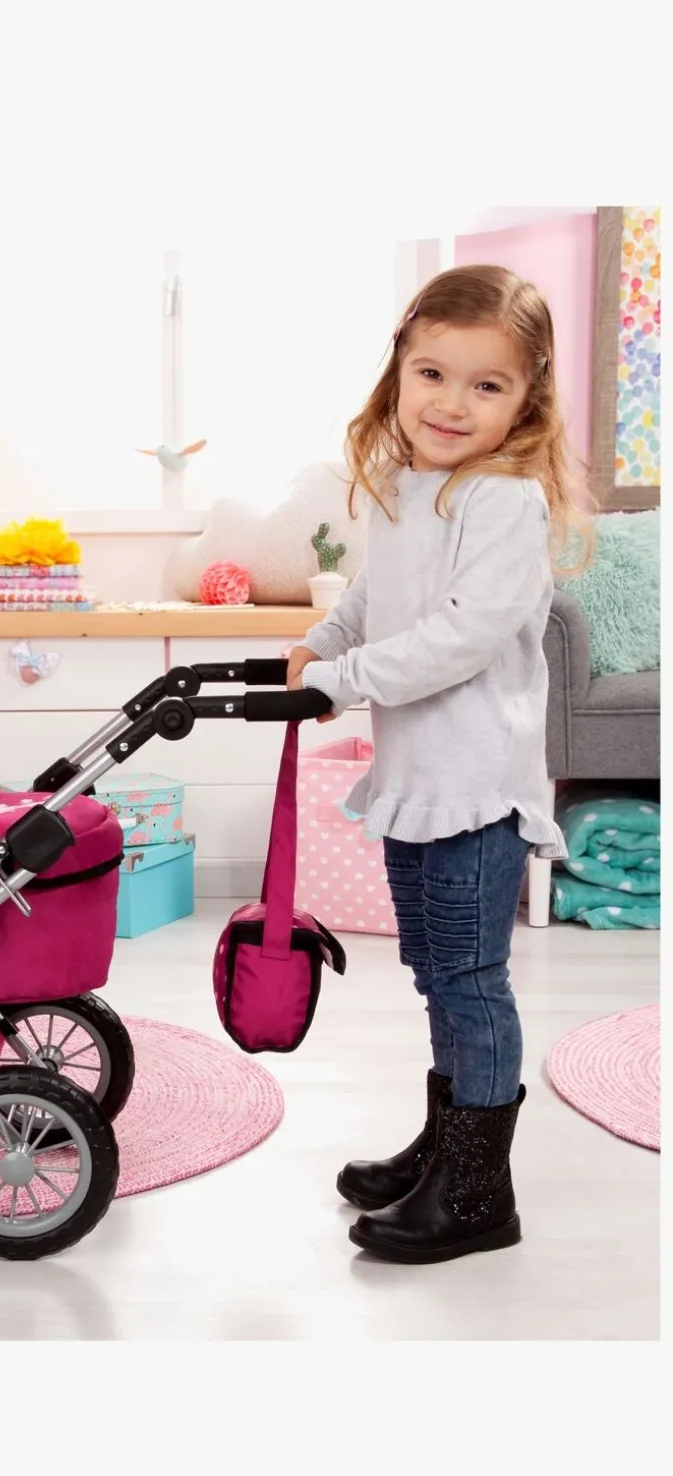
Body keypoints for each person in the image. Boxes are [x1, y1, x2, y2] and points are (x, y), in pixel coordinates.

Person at [288, 264, 593, 1265]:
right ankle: (444, 1143)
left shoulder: (502, 502)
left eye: (485, 384)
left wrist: (342, 680)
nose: (451, 403)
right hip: (416, 782)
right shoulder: (403, 484)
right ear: (400, 370)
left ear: (525, 399)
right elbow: (374, 596)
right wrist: (323, 639)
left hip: (474, 788)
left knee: (469, 979)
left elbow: (461, 635)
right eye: (432, 373)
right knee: (434, 972)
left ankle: (476, 1191)